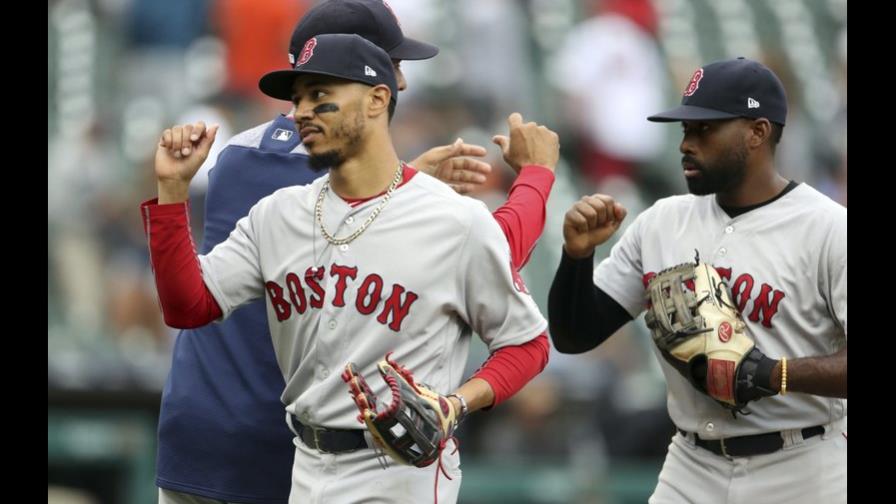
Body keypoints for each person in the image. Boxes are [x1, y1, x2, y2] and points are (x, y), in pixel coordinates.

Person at [155, 2, 558, 503]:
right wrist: (534, 182)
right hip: (278, 445)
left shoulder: (243, 153)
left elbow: (460, 259)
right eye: (393, 62)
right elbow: (469, 251)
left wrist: (409, 186)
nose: (405, 83)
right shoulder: (293, 193)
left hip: (224, 434)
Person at [548, 57, 847, 503]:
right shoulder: (661, 223)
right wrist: (577, 256)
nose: (687, 144)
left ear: (758, 132)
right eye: (686, 130)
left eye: (704, 130)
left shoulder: (828, 229)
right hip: (690, 465)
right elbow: (573, 335)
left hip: (801, 466)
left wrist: (773, 374)